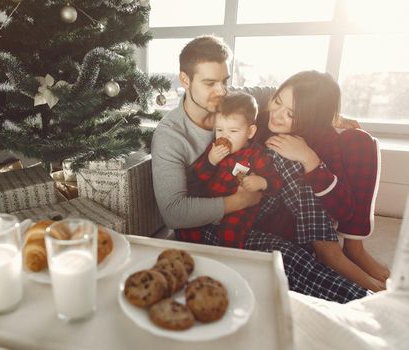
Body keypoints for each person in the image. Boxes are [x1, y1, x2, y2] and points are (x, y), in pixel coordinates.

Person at [151, 35, 368, 303]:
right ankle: (361, 300)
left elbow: (278, 95)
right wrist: (238, 200)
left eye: (225, 81)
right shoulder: (170, 136)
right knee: (285, 257)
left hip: (256, 197)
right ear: (185, 80)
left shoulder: (232, 101)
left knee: (283, 151)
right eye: (209, 83)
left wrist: (326, 116)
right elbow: (174, 214)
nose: (221, 92)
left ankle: (325, 246)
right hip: (212, 224)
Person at [252, 70, 389, 292]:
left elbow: (344, 209)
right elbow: (244, 93)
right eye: (277, 102)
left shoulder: (324, 137)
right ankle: (331, 253)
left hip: (319, 215)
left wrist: (310, 159)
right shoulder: (260, 116)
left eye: (290, 114)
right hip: (276, 216)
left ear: (312, 119)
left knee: (359, 140)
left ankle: (354, 247)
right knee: (281, 153)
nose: (276, 115)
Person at [176, 91, 282, 248]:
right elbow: (198, 177)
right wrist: (211, 161)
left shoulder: (256, 155)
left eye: (233, 131)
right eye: (219, 130)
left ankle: (228, 261)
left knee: (230, 232)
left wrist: (262, 182)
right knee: (186, 224)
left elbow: (276, 183)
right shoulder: (214, 147)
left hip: (240, 208)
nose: (225, 136)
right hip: (212, 201)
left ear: (250, 132)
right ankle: (194, 253)